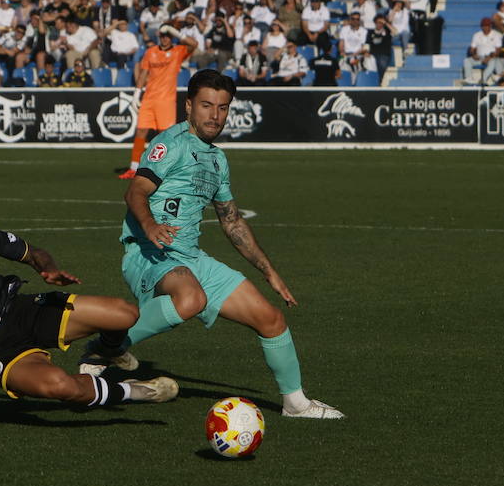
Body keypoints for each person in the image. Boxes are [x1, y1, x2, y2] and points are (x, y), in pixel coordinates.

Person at [93, 69, 343, 420]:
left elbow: (232, 221)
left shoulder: (217, 159)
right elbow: (135, 190)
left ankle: (296, 404)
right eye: (207, 105)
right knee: (191, 298)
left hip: (190, 258)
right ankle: (107, 346)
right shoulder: (171, 143)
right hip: (149, 254)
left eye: (223, 108)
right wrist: (149, 225)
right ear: (189, 106)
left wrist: (269, 272)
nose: (215, 115)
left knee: (271, 319)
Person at [0, 195, 178, 439]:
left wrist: (48, 269)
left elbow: (33, 253)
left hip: (21, 310)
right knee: (63, 387)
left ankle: (106, 350)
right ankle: (138, 392)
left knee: (125, 314)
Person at [119, 24, 197, 180]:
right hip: (148, 99)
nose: (165, 38)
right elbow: (143, 73)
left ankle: (167, 168)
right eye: (162, 35)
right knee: (141, 131)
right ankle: (133, 168)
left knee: (165, 136)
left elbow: (194, 44)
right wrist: (136, 94)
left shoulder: (177, 52)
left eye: (168, 35)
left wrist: (176, 31)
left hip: (166, 101)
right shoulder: (151, 52)